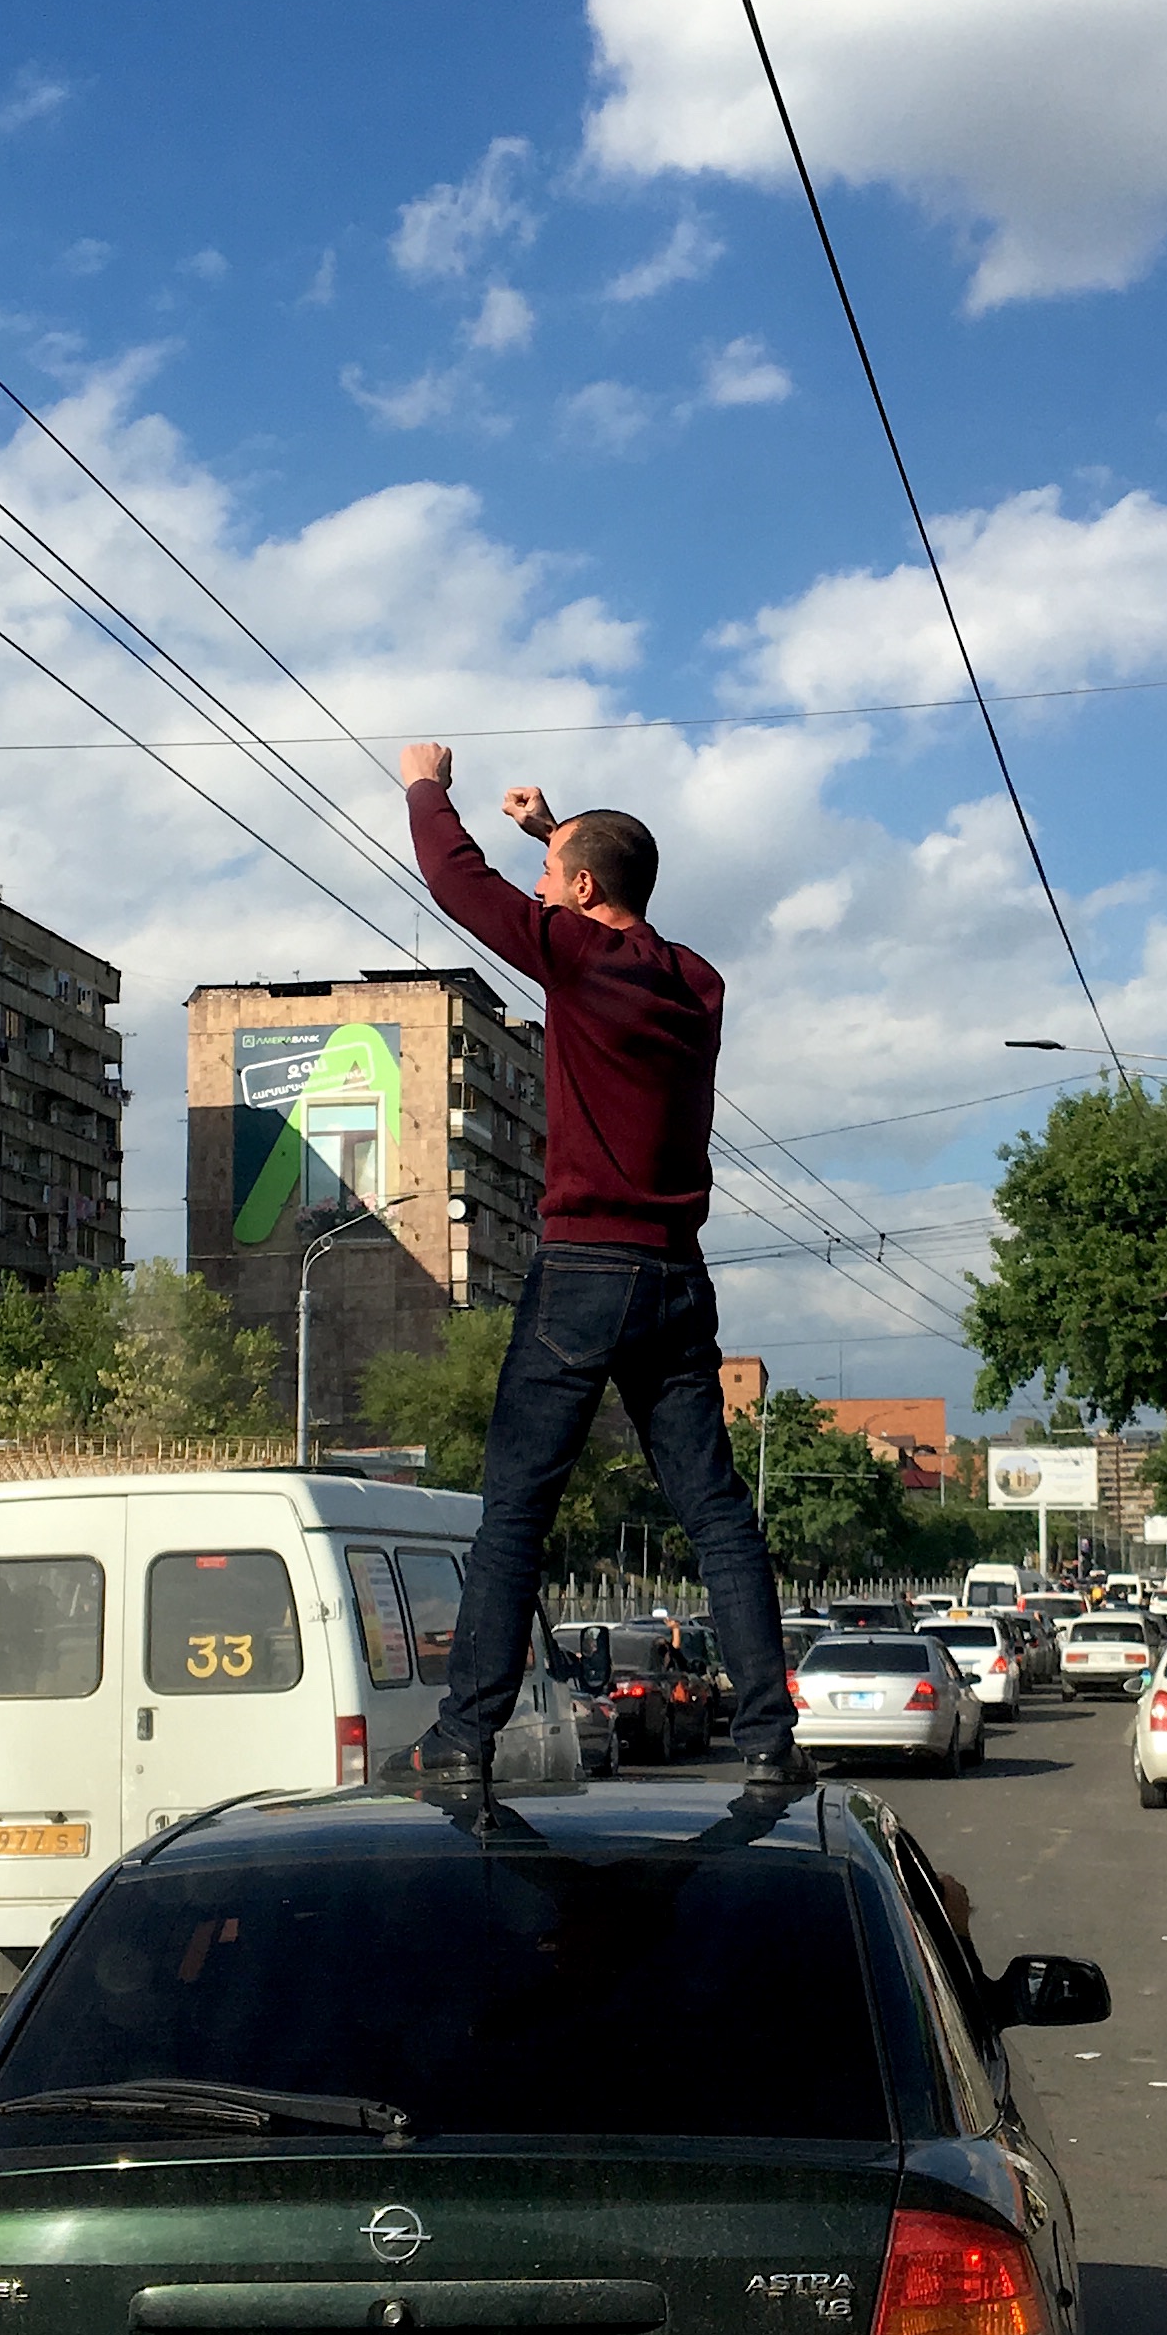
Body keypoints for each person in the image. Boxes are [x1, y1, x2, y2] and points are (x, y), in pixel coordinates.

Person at [392, 743, 802, 1788]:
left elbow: (455, 883)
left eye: (551, 878)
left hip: (584, 1271)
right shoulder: (697, 983)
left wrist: (424, 784)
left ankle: (460, 1741)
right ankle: (769, 1744)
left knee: (516, 1512)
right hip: (675, 1279)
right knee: (715, 1515)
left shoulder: (575, 960)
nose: (538, 891)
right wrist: (558, 829)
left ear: (579, 896)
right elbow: (613, 900)